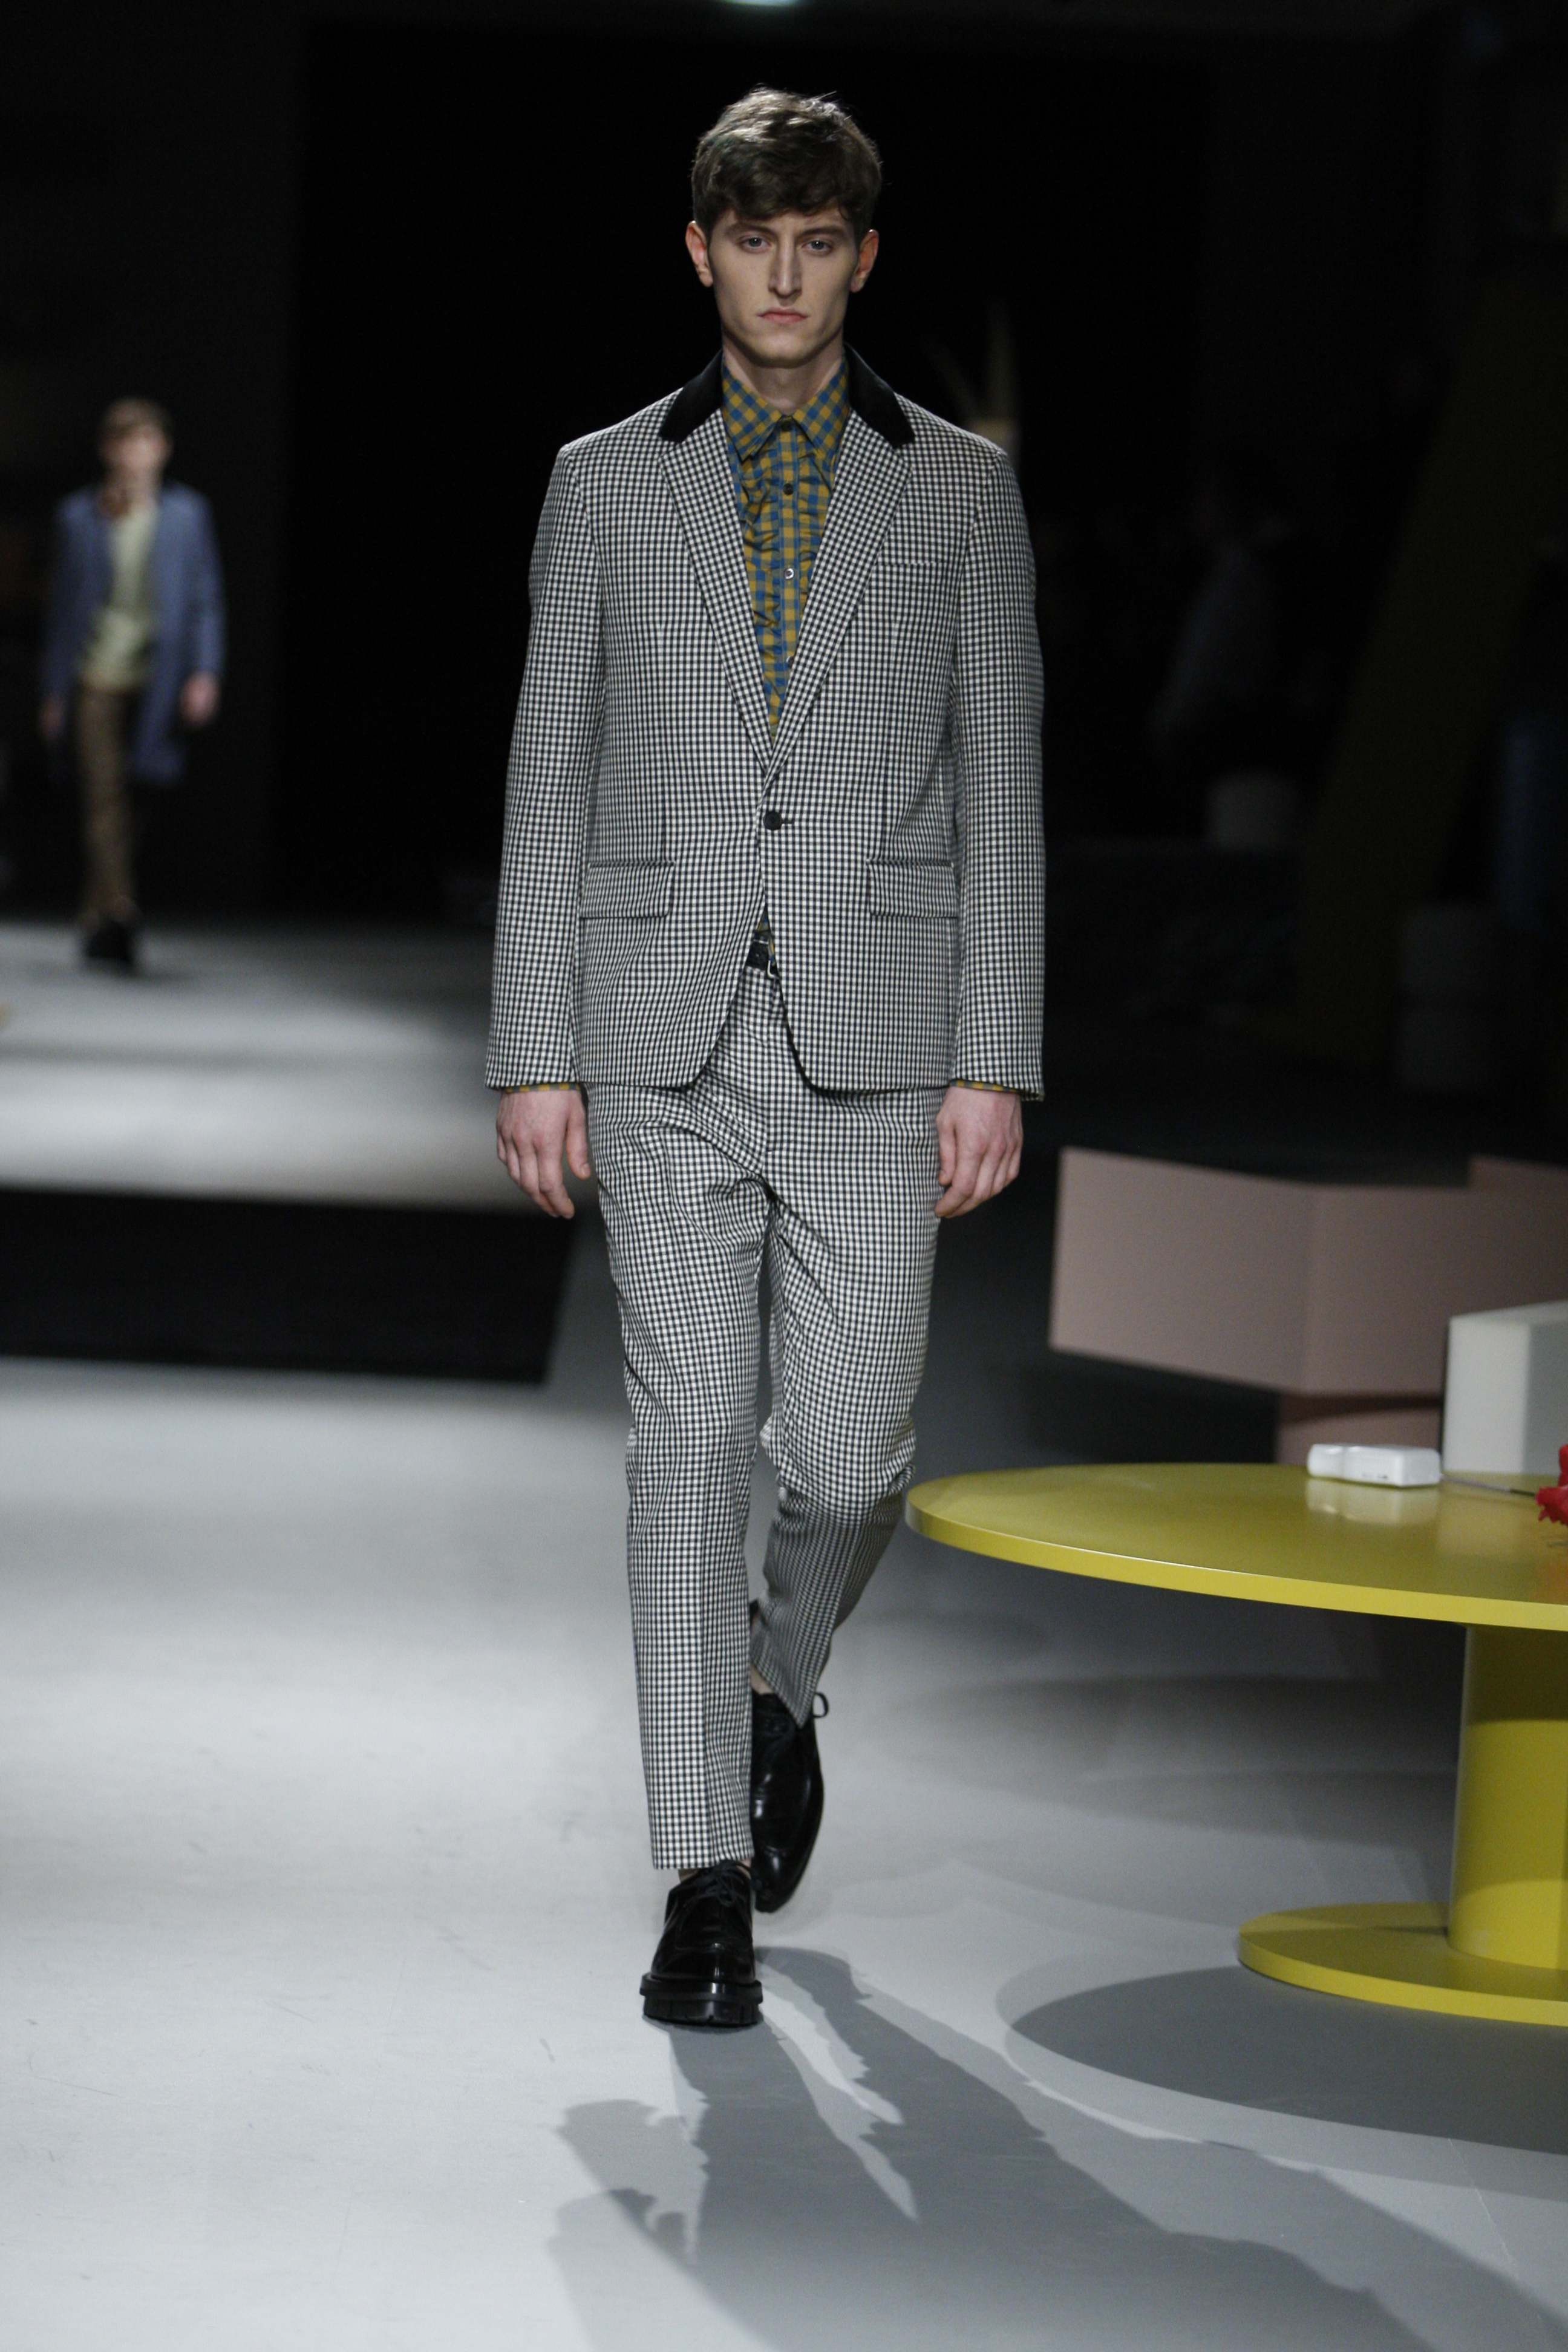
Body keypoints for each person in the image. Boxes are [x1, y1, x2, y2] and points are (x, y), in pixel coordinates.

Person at [488, 88, 1044, 2028]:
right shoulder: (602, 482)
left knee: (856, 1455)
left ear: (863, 259)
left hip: (882, 1044)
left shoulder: (959, 490)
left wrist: (998, 1055)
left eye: (818, 244)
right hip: (659, 1037)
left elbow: (1003, 785)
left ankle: (771, 1683)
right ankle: (702, 1881)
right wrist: (533, 1046)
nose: (785, 277)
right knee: (685, 1457)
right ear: (701, 251)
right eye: (754, 241)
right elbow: (550, 770)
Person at [39, 398, 225, 969]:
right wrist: (53, 689)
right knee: (104, 796)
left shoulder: (187, 514)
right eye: (126, 442)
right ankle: (121, 910)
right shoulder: (80, 515)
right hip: (95, 673)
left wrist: (205, 670)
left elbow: (205, 598)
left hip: (158, 676)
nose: (137, 454)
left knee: (140, 792)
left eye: (147, 441)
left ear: (164, 449)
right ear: (108, 450)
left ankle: (96, 916)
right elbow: (62, 608)